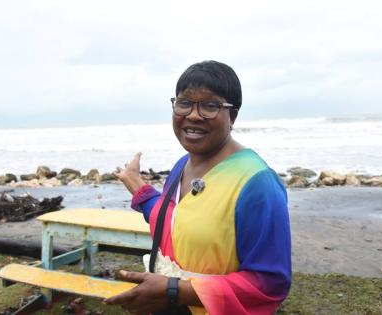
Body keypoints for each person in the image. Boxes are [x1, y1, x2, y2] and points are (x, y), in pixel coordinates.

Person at [104, 60, 291, 315]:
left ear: (232, 115)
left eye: (210, 105)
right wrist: (136, 185)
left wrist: (173, 290)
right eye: (184, 103)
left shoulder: (257, 184)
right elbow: (176, 221)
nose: (192, 114)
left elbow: (270, 284)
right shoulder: (182, 165)